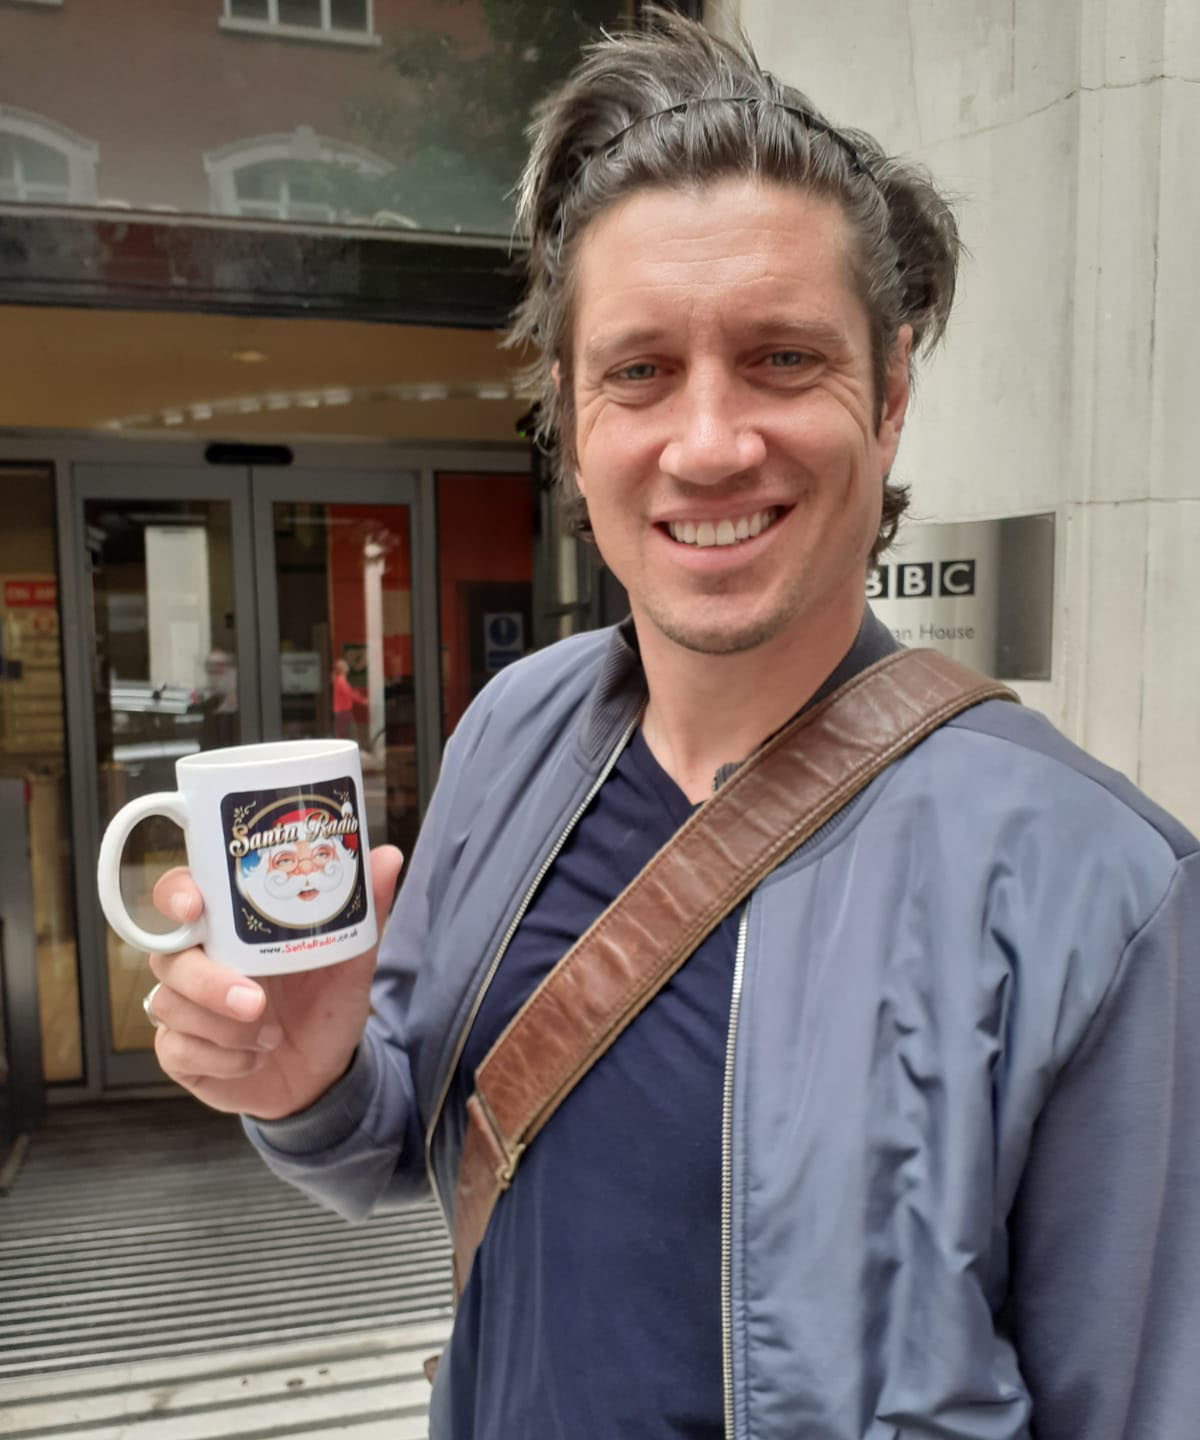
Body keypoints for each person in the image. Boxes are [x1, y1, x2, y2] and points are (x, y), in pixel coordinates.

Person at [140, 11, 1199, 1437]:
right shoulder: (510, 734)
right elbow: (395, 1146)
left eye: (780, 359)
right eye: (639, 370)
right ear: (571, 418)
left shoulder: (1105, 892)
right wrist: (307, 1076)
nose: (708, 443)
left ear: (888, 397)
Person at [330, 657, 367, 742]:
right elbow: (349, 693)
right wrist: (362, 700)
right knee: (351, 734)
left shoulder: (339, 680)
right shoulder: (341, 680)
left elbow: (349, 692)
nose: (347, 667)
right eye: (345, 665)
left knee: (342, 734)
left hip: (341, 712)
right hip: (344, 712)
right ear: (342, 669)